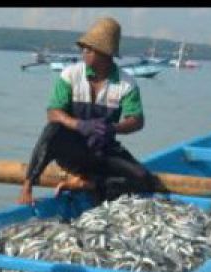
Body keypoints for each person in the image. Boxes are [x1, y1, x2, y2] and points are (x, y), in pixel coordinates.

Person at [17, 17, 158, 206]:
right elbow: (53, 112)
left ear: (105, 54)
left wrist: (113, 128)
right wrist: (80, 125)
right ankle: (27, 185)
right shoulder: (70, 75)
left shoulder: (127, 84)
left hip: (103, 150)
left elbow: (136, 120)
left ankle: (89, 184)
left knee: (143, 179)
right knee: (52, 130)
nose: (84, 52)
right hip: (74, 151)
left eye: (90, 49)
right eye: (84, 48)